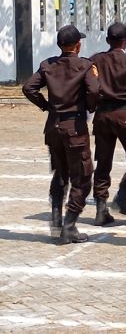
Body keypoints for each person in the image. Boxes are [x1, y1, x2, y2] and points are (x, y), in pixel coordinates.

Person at [22, 25, 99, 244]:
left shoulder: (47, 65)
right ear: (78, 45)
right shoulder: (85, 65)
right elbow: (93, 91)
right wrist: (90, 108)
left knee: (61, 172)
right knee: (83, 177)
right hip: (74, 126)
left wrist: (46, 106)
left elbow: (29, 88)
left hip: (53, 126)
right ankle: (69, 225)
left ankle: (56, 216)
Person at [90, 22, 126, 226]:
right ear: (125, 41)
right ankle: (122, 194)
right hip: (124, 113)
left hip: (102, 114)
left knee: (103, 163)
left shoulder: (96, 60)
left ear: (108, 40)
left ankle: (100, 206)